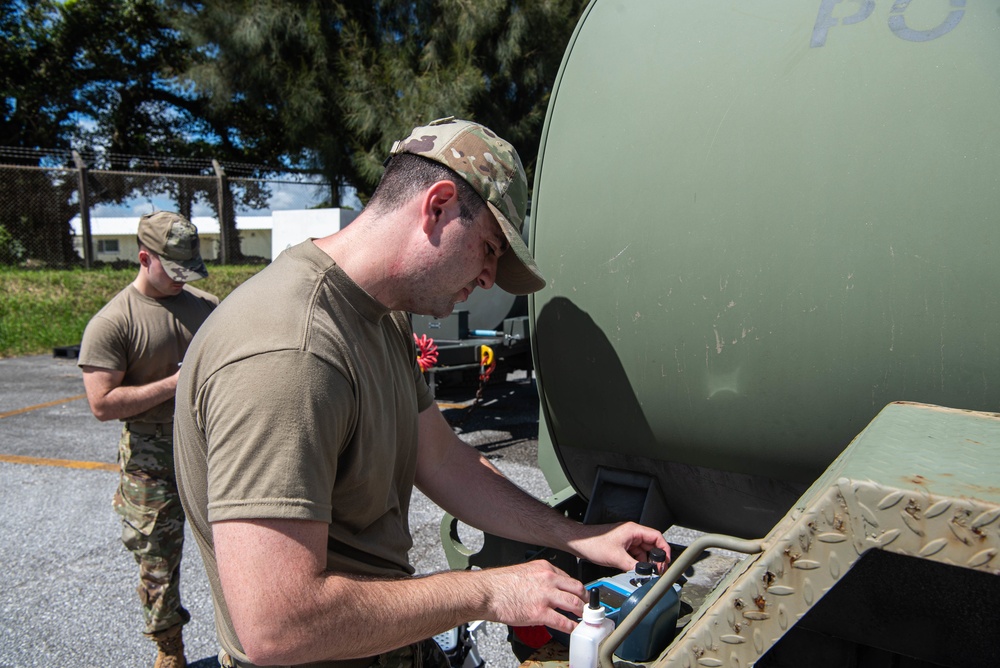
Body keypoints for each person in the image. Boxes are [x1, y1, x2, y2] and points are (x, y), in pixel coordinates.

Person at [173, 117, 670, 668]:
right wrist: (487, 592)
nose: (487, 278)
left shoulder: (377, 315)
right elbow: (280, 627)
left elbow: (441, 458)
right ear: (437, 205)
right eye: (487, 249)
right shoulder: (291, 353)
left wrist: (578, 536)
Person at [79, 211, 219, 668]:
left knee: (240, 549)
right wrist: (173, 385)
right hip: (151, 463)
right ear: (144, 258)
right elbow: (102, 404)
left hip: (208, 450)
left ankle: (246, 641)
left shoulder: (206, 307)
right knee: (158, 564)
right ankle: (169, 651)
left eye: (189, 270)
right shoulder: (113, 322)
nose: (183, 280)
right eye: (173, 270)